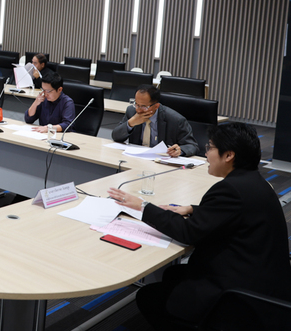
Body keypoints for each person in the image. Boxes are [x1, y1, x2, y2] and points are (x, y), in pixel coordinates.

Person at [108, 122, 291, 328]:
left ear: (229, 155)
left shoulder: (229, 190)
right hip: (264, 280)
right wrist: (193, 209)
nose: (206, 154)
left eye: (210, 147)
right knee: (172, 274)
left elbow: (188, 233)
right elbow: (232, 213)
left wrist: (143, 206)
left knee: (148, 296)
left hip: (239, 295)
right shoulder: (253, 182)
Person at [111, 84, 199, 157]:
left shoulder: (175, 120)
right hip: (137, 158)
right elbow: (116, 137)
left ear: (156, 106)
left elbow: (192, 145)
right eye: (136, 104)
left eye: (144, 106)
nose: (138, 110)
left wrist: (180, 150)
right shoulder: (132, 111)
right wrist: (130, 123)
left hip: (161, 161)